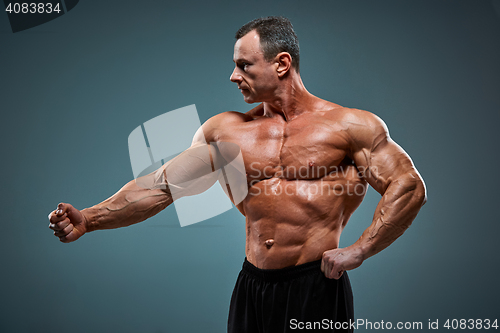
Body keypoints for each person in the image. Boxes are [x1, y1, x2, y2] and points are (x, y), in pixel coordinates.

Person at [48, 16, 426, 333]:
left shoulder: (349, 126)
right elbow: (161, 186)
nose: (233, 76)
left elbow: (407, 185)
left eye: (244, 65)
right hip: (252, 286)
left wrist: (360, 250)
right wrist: (91, 219)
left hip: (316, 287)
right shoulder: (225, 132)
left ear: (281, 64)